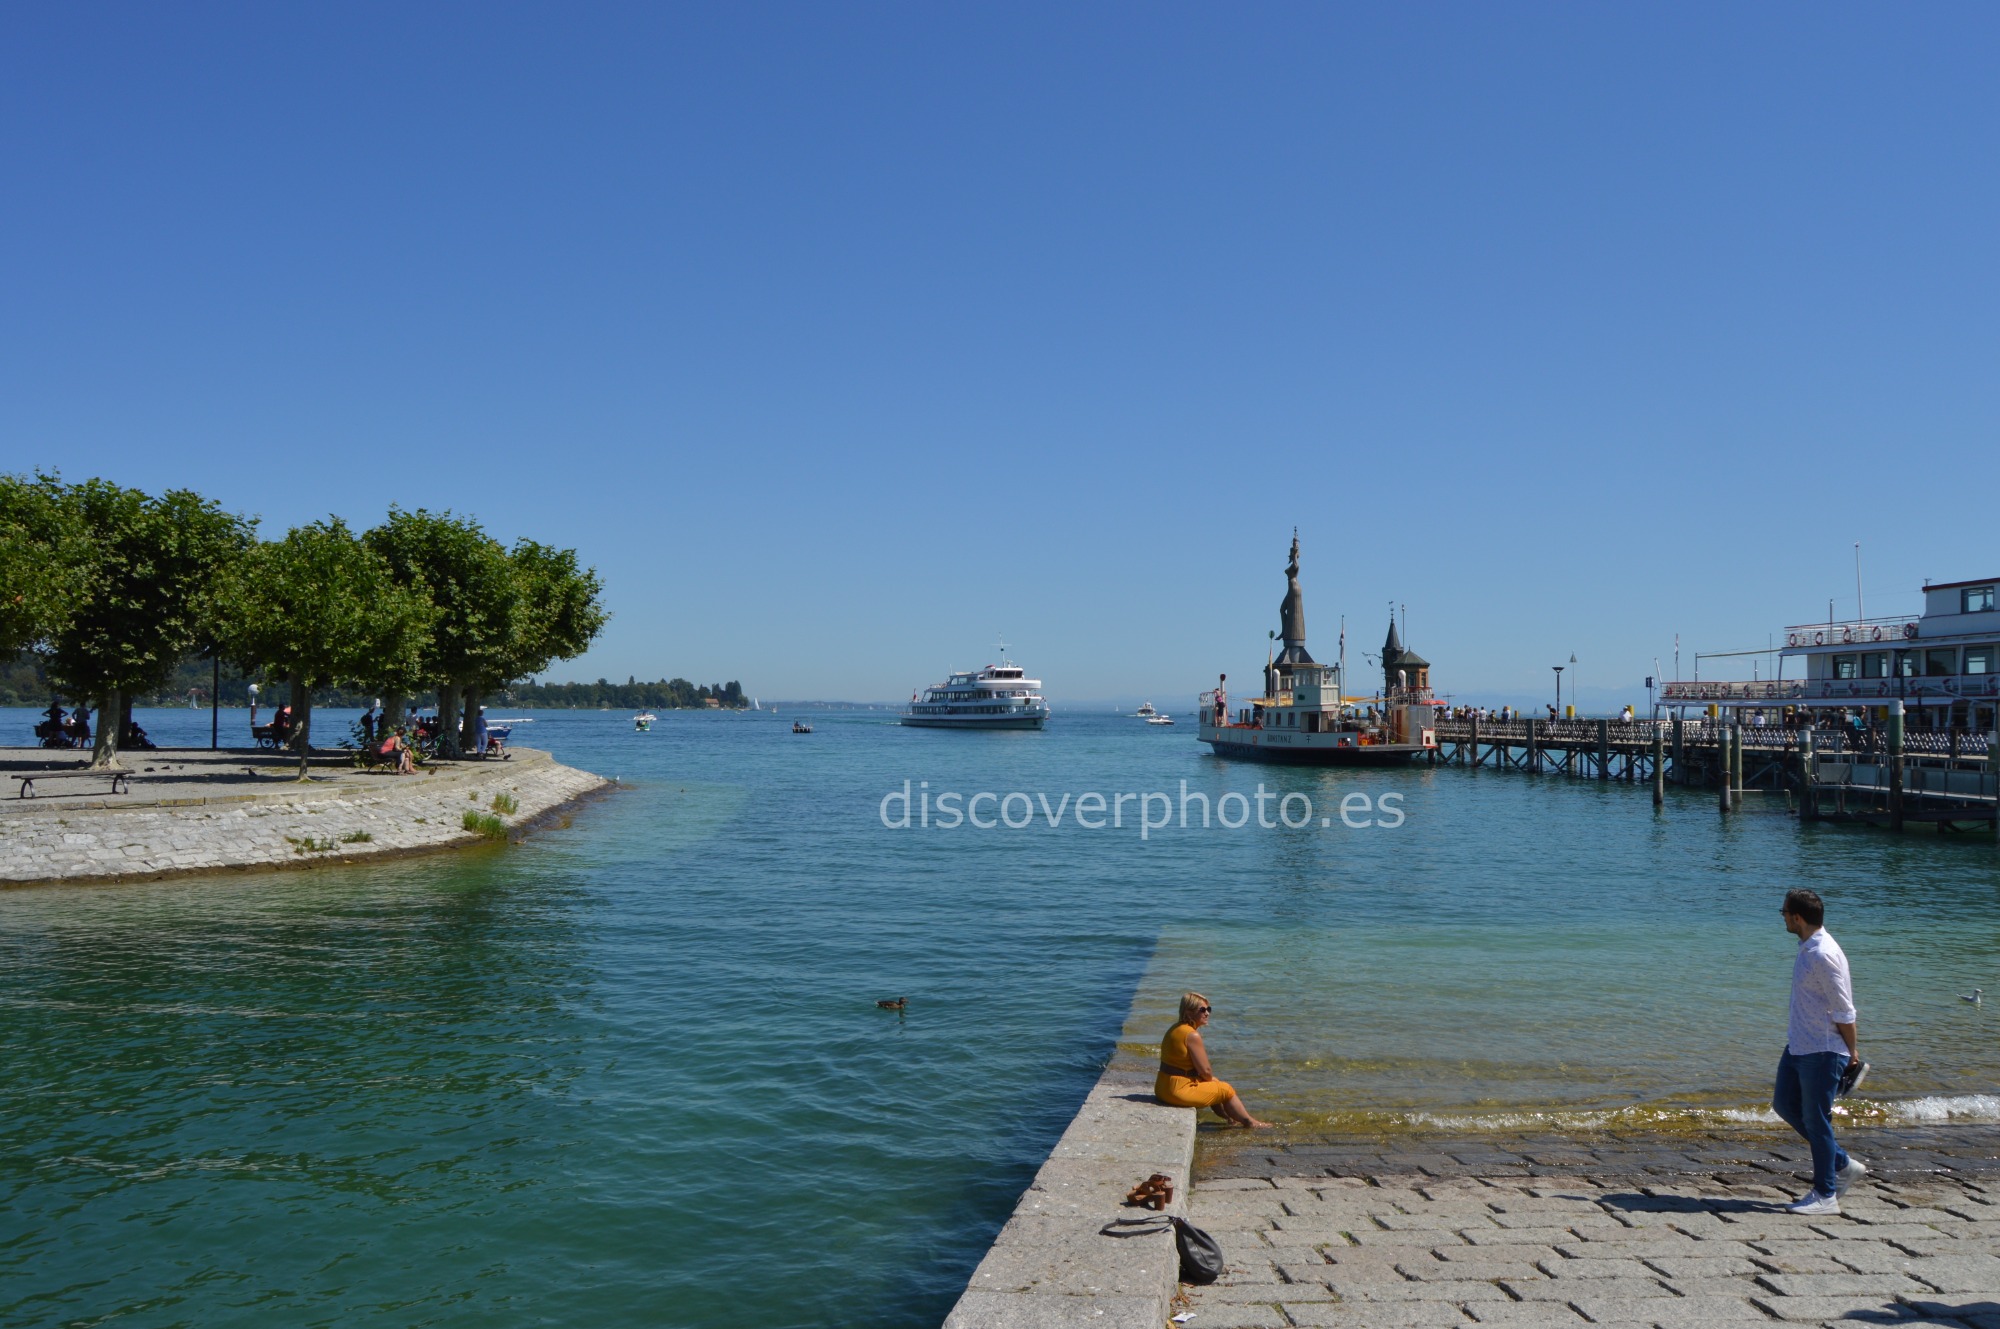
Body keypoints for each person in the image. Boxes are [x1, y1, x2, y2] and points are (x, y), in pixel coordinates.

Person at [1773, 888, 1868, 1215]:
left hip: (1824, 1049)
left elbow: (1844, 1009)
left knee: (1817, 1120)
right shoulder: (1808, 948)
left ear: (1797, 917)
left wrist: (1851, 1052)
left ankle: (1825, 1195)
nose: (1783, 918)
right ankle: (1842, 1164)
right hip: (1800, 1045)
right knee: (1785, 1104)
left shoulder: (1823, 954)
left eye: (1784, 913)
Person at [1154, 992, 1272, 1129]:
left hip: (1162, 1087)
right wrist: (1210, 1080)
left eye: (1208, 1009)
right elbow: (1205, 1071)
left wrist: (1210, 1081)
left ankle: (1228, 1117)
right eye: (1202, 1010)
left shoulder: (1175, 1028)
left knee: (1215, 1083)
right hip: (1176, 1092)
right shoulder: (1192, 1035)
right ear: (1189, 1012)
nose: (1207, 1013)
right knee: (1226, 1089)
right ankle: (1250, 1122)